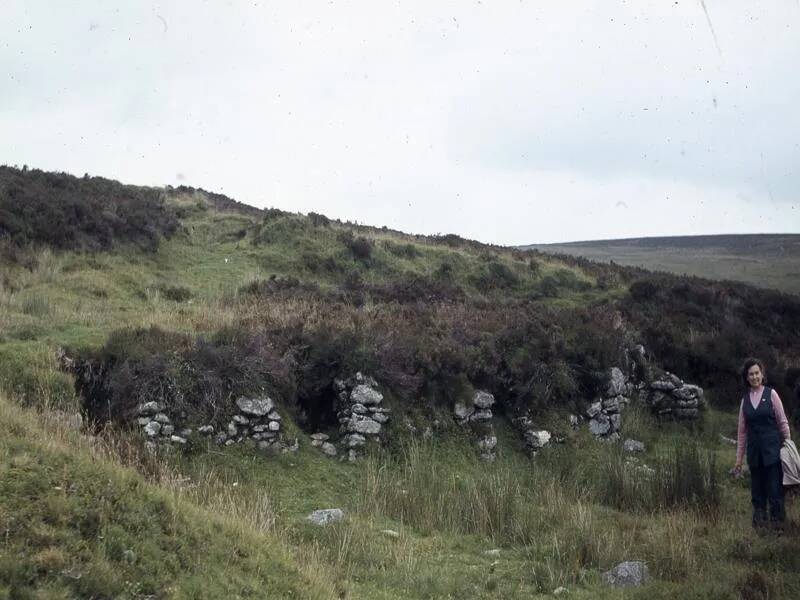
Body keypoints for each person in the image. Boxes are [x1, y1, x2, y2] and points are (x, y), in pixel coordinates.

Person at [733, 358, 791, 531]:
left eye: (757, 373)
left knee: (775, 491)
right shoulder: (745, 401)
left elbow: (782, 422)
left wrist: (788, 446)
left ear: (762, 374)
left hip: (773, 453)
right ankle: (760, 526)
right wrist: (739, 460)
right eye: (751, 374)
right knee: (757, 493)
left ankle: (778, 526)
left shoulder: (771, 394)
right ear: (747, 377)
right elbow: (742, 433)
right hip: (755, 455)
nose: (754, 376)